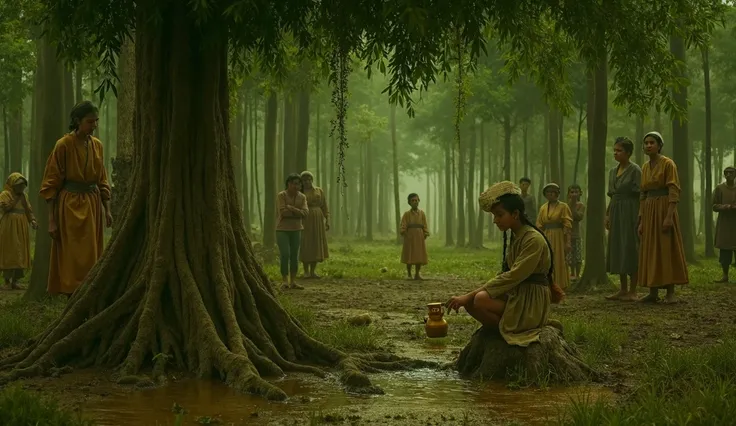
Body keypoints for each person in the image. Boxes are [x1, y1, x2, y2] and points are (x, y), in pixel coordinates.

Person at [446, 181, 562, 347]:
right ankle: (505, 326)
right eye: (495, 216)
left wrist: (468, 295)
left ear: (515, 214)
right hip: (518, 293)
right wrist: (468, 297)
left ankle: (511, 327)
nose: (495, 220)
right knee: (472, 303)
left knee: (478, 299)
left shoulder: (533, 239)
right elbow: (506, 275)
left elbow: (514, 275)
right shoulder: (518, 236)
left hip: (531, 299)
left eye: (499, 215)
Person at [40, 101, 113, 296]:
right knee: (71, 256)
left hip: (92, 204)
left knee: (91, 254)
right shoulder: (63, 145)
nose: (94, 125)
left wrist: (107, 209)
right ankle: (70, 295)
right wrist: (52, 220)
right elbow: (50, 184)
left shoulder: (97, 145)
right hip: (69, 205)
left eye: (96, 121)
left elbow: (102, 179)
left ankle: (88, 295)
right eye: (90, 121)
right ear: (77, 121)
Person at [637, 131, 688, 303]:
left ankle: (670, 292)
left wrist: (669, 216)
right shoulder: (644, 167)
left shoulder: (668, 164)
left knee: (666, 247)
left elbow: (674, 190)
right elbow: (643, 194)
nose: (649, 145)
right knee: (651, 249)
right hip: (650, 209)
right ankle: (653, 291)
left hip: (664, 207)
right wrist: (642, 219)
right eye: (646, 143)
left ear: (659, 145)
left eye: (652, 142)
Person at [605, 137, 642, 301]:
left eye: (619, 150)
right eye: (614, 150)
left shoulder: (635, 170)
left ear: (628, 152)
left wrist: (640, 216)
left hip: (630, 210)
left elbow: (641, 195)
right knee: (617, 246)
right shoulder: (612, 172)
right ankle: (623, 289)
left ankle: (633, 290)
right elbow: (612, 195)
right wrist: (607, 215)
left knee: (630, 246)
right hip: (615, 210)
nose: (615, 153)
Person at [0, 173, 38, 289]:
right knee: (9, 251)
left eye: (22, 185)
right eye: (18, 185)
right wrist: (16, 197)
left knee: (20, 252)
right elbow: (5, 207)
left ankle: (15, 281)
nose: (21, 188)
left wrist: (32, 220)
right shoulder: (5, 194)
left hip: (21, 227)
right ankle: (7, 281)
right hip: (9, 227)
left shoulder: (24, 196)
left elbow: (28, 210)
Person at [537, 183, 572, 290]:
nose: (550, 194)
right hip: (546, 235)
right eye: (548, 192)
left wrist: (568, 241)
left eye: (552, 192)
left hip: (559, 236)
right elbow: (539, 224)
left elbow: (567, 224)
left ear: (557, 194)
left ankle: (560, 284)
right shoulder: (543, 207)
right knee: (547, 259)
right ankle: (548, 283)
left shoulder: (563, 206)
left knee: (559, 258)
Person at [276, 173, 309, 290]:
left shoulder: (302, 197)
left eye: (299, 184)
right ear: (289, 184)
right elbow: (283, 212)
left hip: (297, 229)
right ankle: (284, 280)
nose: (297, 186)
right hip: (282, 229)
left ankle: (293, 281)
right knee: (285, 254)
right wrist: (297, 212)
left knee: (295, 256)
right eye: (295, 184)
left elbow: (305, 213)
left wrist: (291, 208)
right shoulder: (282, 195)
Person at [299, 171, 330, 279]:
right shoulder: (300, 192)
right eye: (304, 180)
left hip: (317, 218)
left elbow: (324, 205)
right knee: (306, 243)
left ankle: (313, 271)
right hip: (305, 218)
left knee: (316, 243)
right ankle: (306, 271)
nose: (307, 182)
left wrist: (327, 219)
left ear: (312, 180)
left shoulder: (319, 191)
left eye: (309, 179)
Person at [713, 166, 736, 283]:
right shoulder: (719, 188)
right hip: (725, 223)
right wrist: (726, 207)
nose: (729, 175)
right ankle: (725, 275)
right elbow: (714, 206)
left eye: (731, 173)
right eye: (726, 173)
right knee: (725, 251)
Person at [400, 193, 429, 280]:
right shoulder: (406, 214)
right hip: (410, 237)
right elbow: (403, 225)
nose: (415, 202)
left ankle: (417, 273)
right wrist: (404, 233)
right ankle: (409, 274)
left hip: (419, 237)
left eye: (416, 200)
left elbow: (425, 225)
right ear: (409, 202)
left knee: (418, 255)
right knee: (409, 255)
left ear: (418, 201)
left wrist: (425, 233)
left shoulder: (422, 214)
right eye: (413, 201)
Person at [566, 184, 585, 280]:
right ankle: (571, 273)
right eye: (572, 192)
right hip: (567, 234)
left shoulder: (581, 205)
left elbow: (578, 217)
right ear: (568, 194)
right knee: (569, 256)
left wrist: (573, 205)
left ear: (580, 193)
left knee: (577, 255)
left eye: (576, 192)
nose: (574, 194)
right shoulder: (565, 205)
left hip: (577, 233)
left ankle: (577, 274)